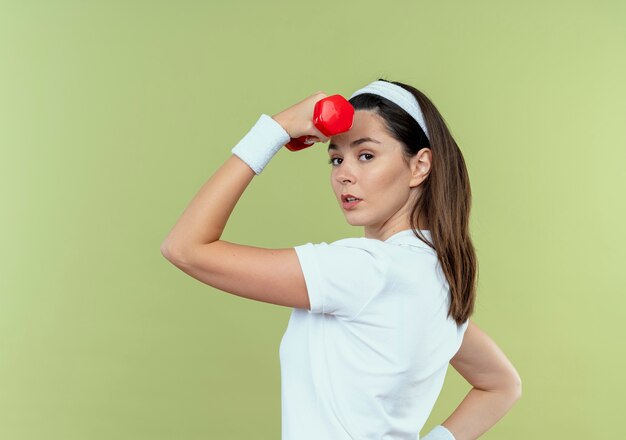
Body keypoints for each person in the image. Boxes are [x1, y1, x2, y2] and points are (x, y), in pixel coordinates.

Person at [160, 78, 522, 440]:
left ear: (419, 166)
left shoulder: (365, 269)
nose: (344, 175)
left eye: (366, 155)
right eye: (336, 158)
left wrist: (278, 128)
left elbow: (185, 248)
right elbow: (502, 386)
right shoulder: (438, 279)